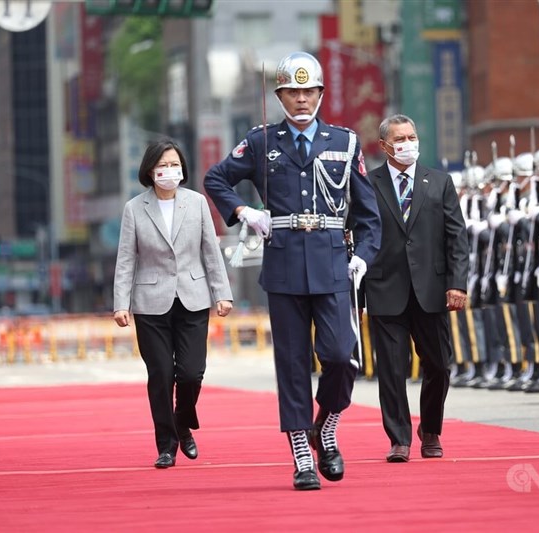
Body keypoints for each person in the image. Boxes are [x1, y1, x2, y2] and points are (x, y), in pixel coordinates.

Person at [203, 51, 381, 490]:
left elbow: (368, 215)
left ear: (321, 94)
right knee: (293, 363)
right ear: (280, 95)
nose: (302, 99)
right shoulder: (262, 141)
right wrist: (245, 211)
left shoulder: (344, 142)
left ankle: (328, 425)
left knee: (342, 356)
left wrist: (363, 257)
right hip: (283, 265)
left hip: (334, 263)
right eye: (293, 92)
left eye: (309, 91)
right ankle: (303, 453)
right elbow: (215, 179)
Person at [113, 139, 234, 469]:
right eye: (162, 166)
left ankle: (183, 423)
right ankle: (166, 444)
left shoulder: (196, 203)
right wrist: (120, 303)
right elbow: (126, 259)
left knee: (192, 373)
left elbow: (210, 251)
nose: (170, 171)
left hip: (193, 298)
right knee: (162, 374)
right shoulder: (135, 209)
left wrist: (222, 293)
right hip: (150, 302)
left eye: (175, 164)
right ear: (150, 171)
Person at [363, 114, 469, 463]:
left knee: (438, 365)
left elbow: (457, 238)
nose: (407, 143)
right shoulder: (368, 183)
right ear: (384, 146)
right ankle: (399, 438)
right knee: (392, 369)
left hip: (432, 290)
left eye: (411, 136)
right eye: (400, 138)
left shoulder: (438, 182)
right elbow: (359, 235)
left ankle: (431, 430)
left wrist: (457, 283)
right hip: (385, 289)